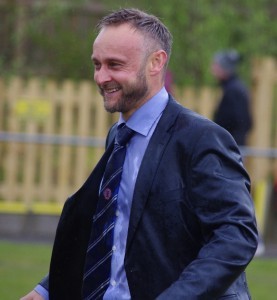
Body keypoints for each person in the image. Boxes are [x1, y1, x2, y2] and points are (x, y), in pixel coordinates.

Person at [21, 8, 258, 300]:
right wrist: (47, 289)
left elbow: (236, 237)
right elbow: (113, 232)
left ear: (156, 62)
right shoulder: (117, 137)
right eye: (97, 64)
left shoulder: (202, 138)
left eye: (114, 65)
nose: (101, 77)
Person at [212, 50, 253, 146]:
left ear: (224, 68)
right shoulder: (234, 88)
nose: (213, 68)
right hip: (232, 144)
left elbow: (240, 121)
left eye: (216, 65)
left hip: (230, 146)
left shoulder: (233, 90)